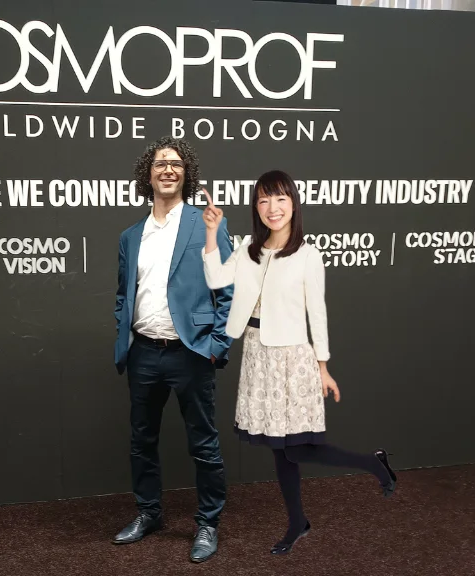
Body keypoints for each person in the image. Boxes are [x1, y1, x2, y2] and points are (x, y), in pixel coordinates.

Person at [199, 170, 398, 555]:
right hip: (257, 352)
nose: (272, 208)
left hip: (293, 357)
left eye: (280, 199)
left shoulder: (308, 255)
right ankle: (297, 522)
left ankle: (373, 464)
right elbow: (215, 279)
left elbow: (316, 312)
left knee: (297, 447)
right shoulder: (247, 248)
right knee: (281, 449)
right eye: (263, 200)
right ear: (256, 207)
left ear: (293, 203)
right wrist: (212, 232)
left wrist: (323, 366)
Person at [112, 136, 235, 563]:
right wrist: (123, 333)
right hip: (144, 352)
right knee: (141, 441)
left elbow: (228, 289)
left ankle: (207, 524)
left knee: (203, 445)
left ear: (187, 174)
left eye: (176, 164)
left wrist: (216, 346)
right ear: (148, 175)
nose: (168, 169)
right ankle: (149, 515)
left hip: (192, 353)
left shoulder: (206, 224)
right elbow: (123, 294)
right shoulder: (131, 235)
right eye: (160, 163)